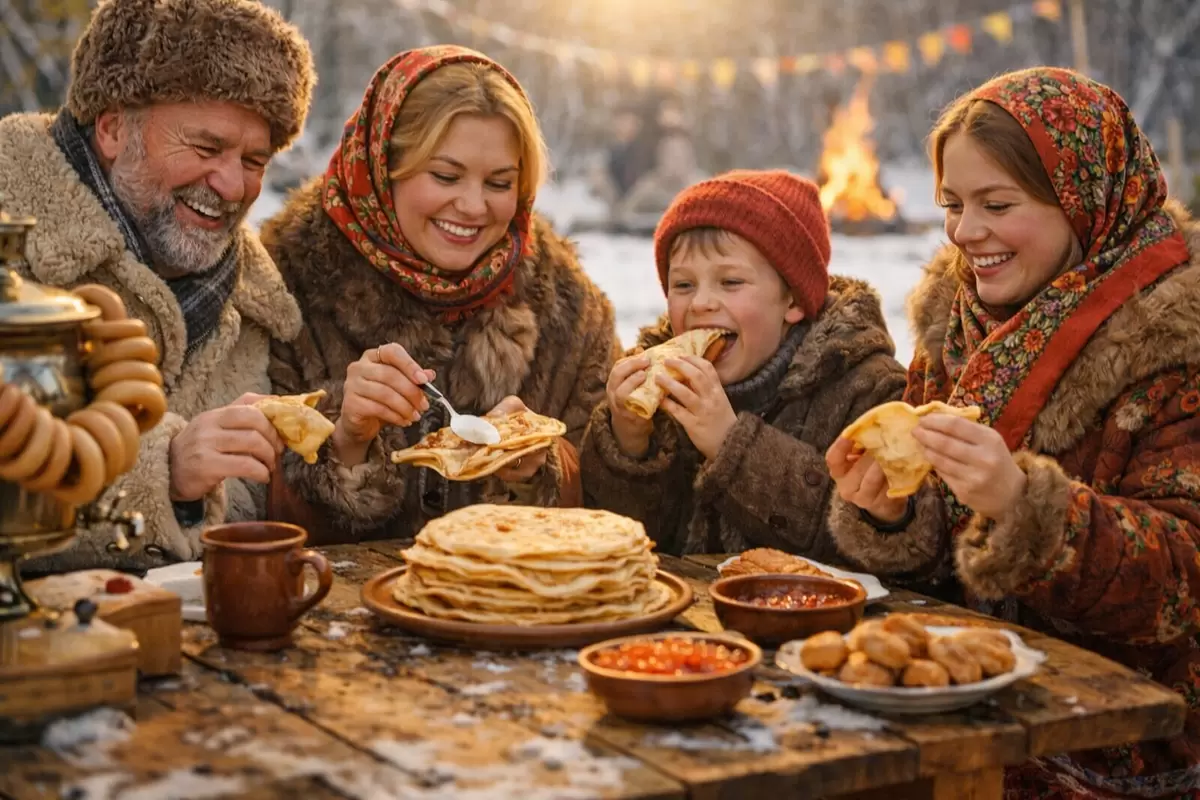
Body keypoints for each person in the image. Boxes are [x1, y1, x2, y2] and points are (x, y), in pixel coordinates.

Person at [825, 67, 1200, 796]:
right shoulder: (953, 327)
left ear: (1085, 202)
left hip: (1124, 747)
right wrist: (892, 512)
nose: (966, 233)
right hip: (964, 716)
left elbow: (1186, 581)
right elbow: (941, 560)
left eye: (997, 203)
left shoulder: (1177, 344)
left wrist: (1025, 507)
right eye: (953, 204)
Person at [0, 0, 314, 571]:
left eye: (254, 159)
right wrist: (160, 469)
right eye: (205, 147)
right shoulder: (8, 237)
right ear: (115, 128)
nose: (231, 184)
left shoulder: (254, 304)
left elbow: (240, 509)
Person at [262, 45, 619, 543]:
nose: (474, 206)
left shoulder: (568, 305)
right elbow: (251, 516)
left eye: (499, 183)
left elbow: (615, 510)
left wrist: (540, 468)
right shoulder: (285, 282)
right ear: (384, 166)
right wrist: (347, 440)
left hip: (513, 612)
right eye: (445, 176)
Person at [582, 170, 906, 557]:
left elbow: (861, 542)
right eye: (683, 285)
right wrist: (629, 443)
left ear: (793, 302)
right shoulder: (661, 387)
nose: (700, 302)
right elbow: (629, 540)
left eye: (731, 282)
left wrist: (730, 444)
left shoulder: (865, 390)